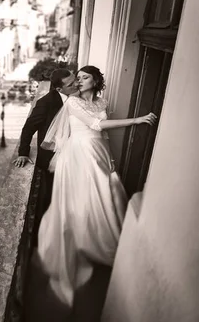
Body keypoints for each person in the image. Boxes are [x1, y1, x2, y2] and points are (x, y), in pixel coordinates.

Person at [37, 65, 157, 308]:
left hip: (99, 151)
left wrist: (110, 157)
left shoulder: (102, 102)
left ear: (96, 80)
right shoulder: (72, 102)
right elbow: (95, 126)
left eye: (84, 77)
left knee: (106, 192)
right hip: (80, 153)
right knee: (87, 196)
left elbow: (103, 136)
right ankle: (89, 243)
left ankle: (99, 237)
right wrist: (136, 120)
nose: (79, 81)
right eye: (77, 78)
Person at [13, 69, 78, 235]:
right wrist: (23, 152)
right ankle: (46, 233)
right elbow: (28, 128)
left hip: (76, 155)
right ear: (59, 89)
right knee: (51, 198)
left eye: (75, 80)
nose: (76, 84)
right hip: (52, 159)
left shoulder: (79, 96)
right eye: (71, 84)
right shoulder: (46, 102)